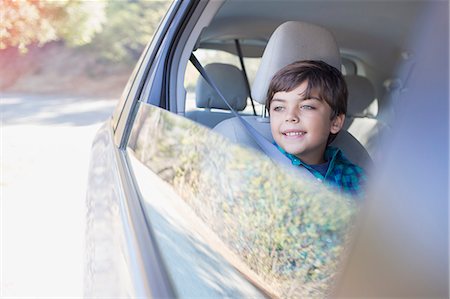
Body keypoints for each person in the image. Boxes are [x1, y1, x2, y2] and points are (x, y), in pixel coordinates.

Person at [266, 60, 366, 197]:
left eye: (307, 106)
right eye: (279, 108)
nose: (290, 116)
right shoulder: (262, 171)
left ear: (335, 123)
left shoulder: (354, 177)